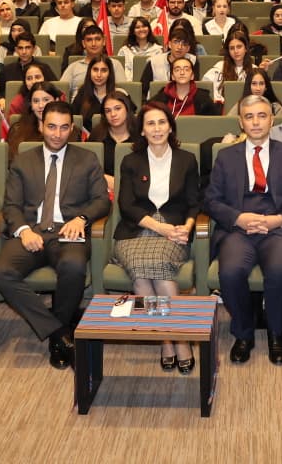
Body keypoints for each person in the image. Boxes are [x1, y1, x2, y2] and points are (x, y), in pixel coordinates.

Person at [0, 99, 108, 370]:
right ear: (41, 126)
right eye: (52, 127)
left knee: (74, 265)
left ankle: (59, 334)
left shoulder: (87, 159)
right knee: (1, 273)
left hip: (68, 230)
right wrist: (23, 231)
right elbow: (11, 205)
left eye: (64, 127)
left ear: (72, 129)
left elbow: (102, 200)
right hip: (31, 231)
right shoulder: (23, 160)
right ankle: (59, 332)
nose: (57, 134)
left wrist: (81, 219)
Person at [208, 95, 282, 365]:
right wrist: (238, 218)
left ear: (272, 120)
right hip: (238, 231)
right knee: (230, 272)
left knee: (280, 271)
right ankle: (244, 333)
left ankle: (276, 333)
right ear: (240, 122)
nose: (256, 122)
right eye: (249, 117)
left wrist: (279, 220)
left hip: (275, 230)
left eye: (262, 116)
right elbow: (212, 200)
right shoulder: (226, 156)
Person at [110, 102, 201, 371]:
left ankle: (173, 338)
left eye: (162, 122)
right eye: (150, 123)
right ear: (142, 130)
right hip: (135, 230)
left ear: (170, 127)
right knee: (141, 271)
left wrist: (187, 227)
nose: (157, 128)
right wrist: (160, 228)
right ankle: (170, 338)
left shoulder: (187, 160)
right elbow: (126, 205)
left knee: (155, 269)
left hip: (175, 229)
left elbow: (194, 203)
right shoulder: (130, 161)